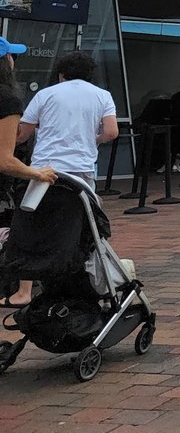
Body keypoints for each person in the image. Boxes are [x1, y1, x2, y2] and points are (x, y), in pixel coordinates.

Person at [2, 51, 120, 308]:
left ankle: (24, 291)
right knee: (84, 228)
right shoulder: (102, 96)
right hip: (82, 173)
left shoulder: (46, 95)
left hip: (43, 171)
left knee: (32, 228)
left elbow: (22, 134)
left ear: (61, 73)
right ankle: (85, 286)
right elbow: (111, 132)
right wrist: (92, 139)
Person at [0, 38, 57, 311]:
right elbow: (5, 160)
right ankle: (23, 291)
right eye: (11, 56)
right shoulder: (7, 99)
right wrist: (37, 173)